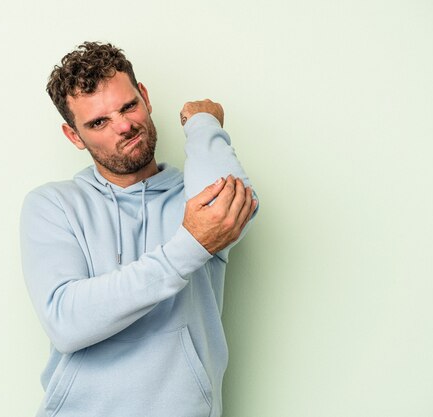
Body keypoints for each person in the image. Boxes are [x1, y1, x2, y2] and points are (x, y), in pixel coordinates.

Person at [20, 41, 259, 417]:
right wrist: (190, 245)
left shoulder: (192, 194)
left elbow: (229, 213)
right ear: (74, 136)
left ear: (144, 97)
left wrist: (202, 125)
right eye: (98, 122)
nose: (124, 126)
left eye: (128, 106)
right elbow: (66, 321)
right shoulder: (54, 205)